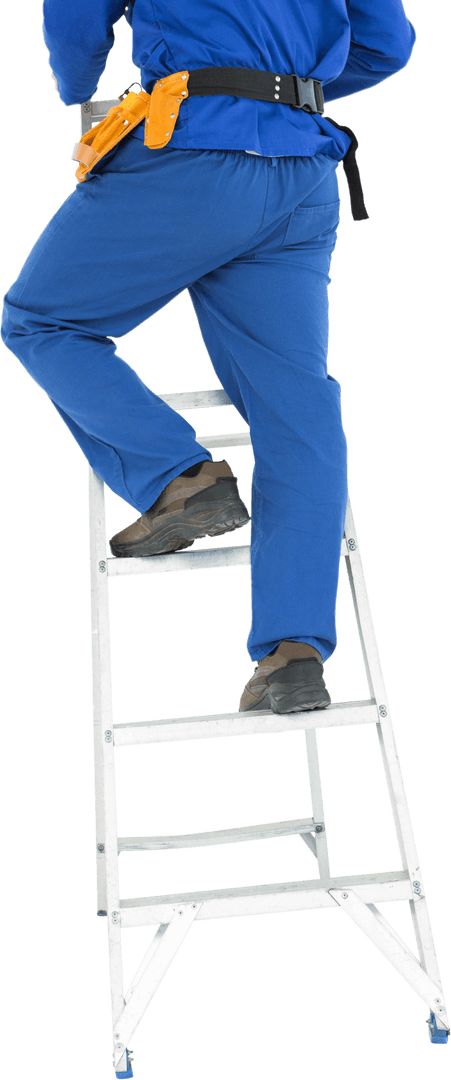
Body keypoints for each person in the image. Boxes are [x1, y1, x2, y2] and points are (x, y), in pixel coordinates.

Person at [0, 0, 416, 715]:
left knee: (41, 321)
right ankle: (295, 655)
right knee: (295, 405)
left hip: (191, 153)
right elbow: (386, 44)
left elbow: (74, 22)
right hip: (301, 173)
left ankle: (180, 478)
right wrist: (284, 92)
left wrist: (80, 90)